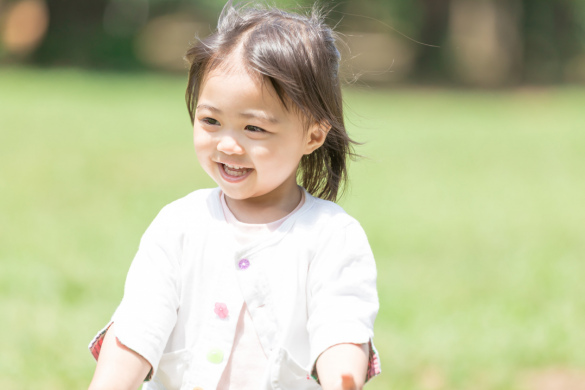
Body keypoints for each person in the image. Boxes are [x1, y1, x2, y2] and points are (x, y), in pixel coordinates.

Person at [87, 1, 380, 389]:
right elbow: (138, 327)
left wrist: (343, 375)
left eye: (254, 129)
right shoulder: (179, 225)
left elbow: (341, 328)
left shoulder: (331, 236)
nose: (227, 145)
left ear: (312, 135)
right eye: (211, 121)